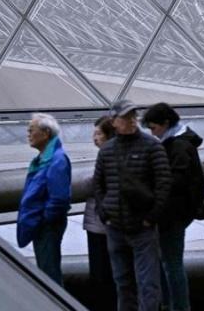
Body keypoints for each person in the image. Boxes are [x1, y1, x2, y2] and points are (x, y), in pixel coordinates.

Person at [97, 99, 172, 311]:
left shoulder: (152, 146)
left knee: (147, 283)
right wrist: (105, 214)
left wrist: (151, 217)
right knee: (122, 282)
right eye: (126, 117)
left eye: (133, 117)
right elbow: (98, 184)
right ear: (114, 121)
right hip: (115, 226)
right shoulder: (107, 150)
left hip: (142, 227)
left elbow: (164, 183)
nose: (132, 121)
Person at [142, 103, 204, 311]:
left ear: (165, 123)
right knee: (170, 263)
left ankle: (178, 306)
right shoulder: (181, 144)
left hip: (173, 214)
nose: (152, 133)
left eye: (154, 128)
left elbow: (175, 181)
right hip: (178, 213)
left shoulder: (178, 147)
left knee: (171, 264)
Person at [18, 113, 72, 285]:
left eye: (31, 130)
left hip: (46, 227)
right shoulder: (43, 160)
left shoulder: (56, 160)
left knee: (50, 276)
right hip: (41, 225)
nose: (28, 134)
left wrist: (43, 220)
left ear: (46, 133)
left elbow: (59, 199)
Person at [84, 116, 118, 311]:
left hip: (101, 223)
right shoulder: (109, 154)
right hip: (101, 222)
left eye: (98, 133)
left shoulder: (108, 156)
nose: (94, 137)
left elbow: (97, 183)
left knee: (101, 271)